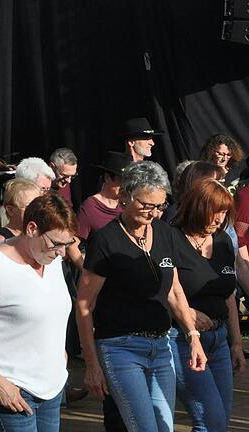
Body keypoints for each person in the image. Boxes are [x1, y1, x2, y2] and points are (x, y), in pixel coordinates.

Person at [76, 161, 207, 432]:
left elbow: (174, 289)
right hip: (119, 348)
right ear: (124, 196)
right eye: (147, 205)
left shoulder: (165, 233)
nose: (153, 212)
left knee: (164, 426)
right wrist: (91, 364)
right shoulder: (106, 240)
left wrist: (193, 336)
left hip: (161, 347)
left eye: (159, 206)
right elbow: (84, 305)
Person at [0, 194, 77, 431]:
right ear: (31, 229)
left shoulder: (52, 260)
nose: (62, 252)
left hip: (52, 386)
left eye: (67, 244)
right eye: (57, 244)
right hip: (12, 390)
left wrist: (60, 356)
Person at [170, 179, 245, 430]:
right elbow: (163, 289)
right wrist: (188, 313)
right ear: (197, 206)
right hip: (182, 340)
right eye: (215, 211)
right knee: (210, 419)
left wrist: (236, 343)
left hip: (219, 339)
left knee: (219, 421)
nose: (219, 218)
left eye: (224, 212)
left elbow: (228, 296)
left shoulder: (223, 241)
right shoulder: (171, 237)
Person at [0, 157, 55, 242]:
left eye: (48, 189)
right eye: (42, 189)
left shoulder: (47, 209)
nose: (45, 194)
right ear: (25, 184)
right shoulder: (5, 214)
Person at [76, 151, 132, 241]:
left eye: (128, 182)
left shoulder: (129, 205)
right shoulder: (90, 207)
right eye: (121, 181)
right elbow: (72, 245)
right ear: (107, 178)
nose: (125, 186)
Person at [0, 178, 41, 250]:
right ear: (10, 210)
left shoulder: (39, 235)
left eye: (38, 205)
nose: (35, 210)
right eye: (28, 207)